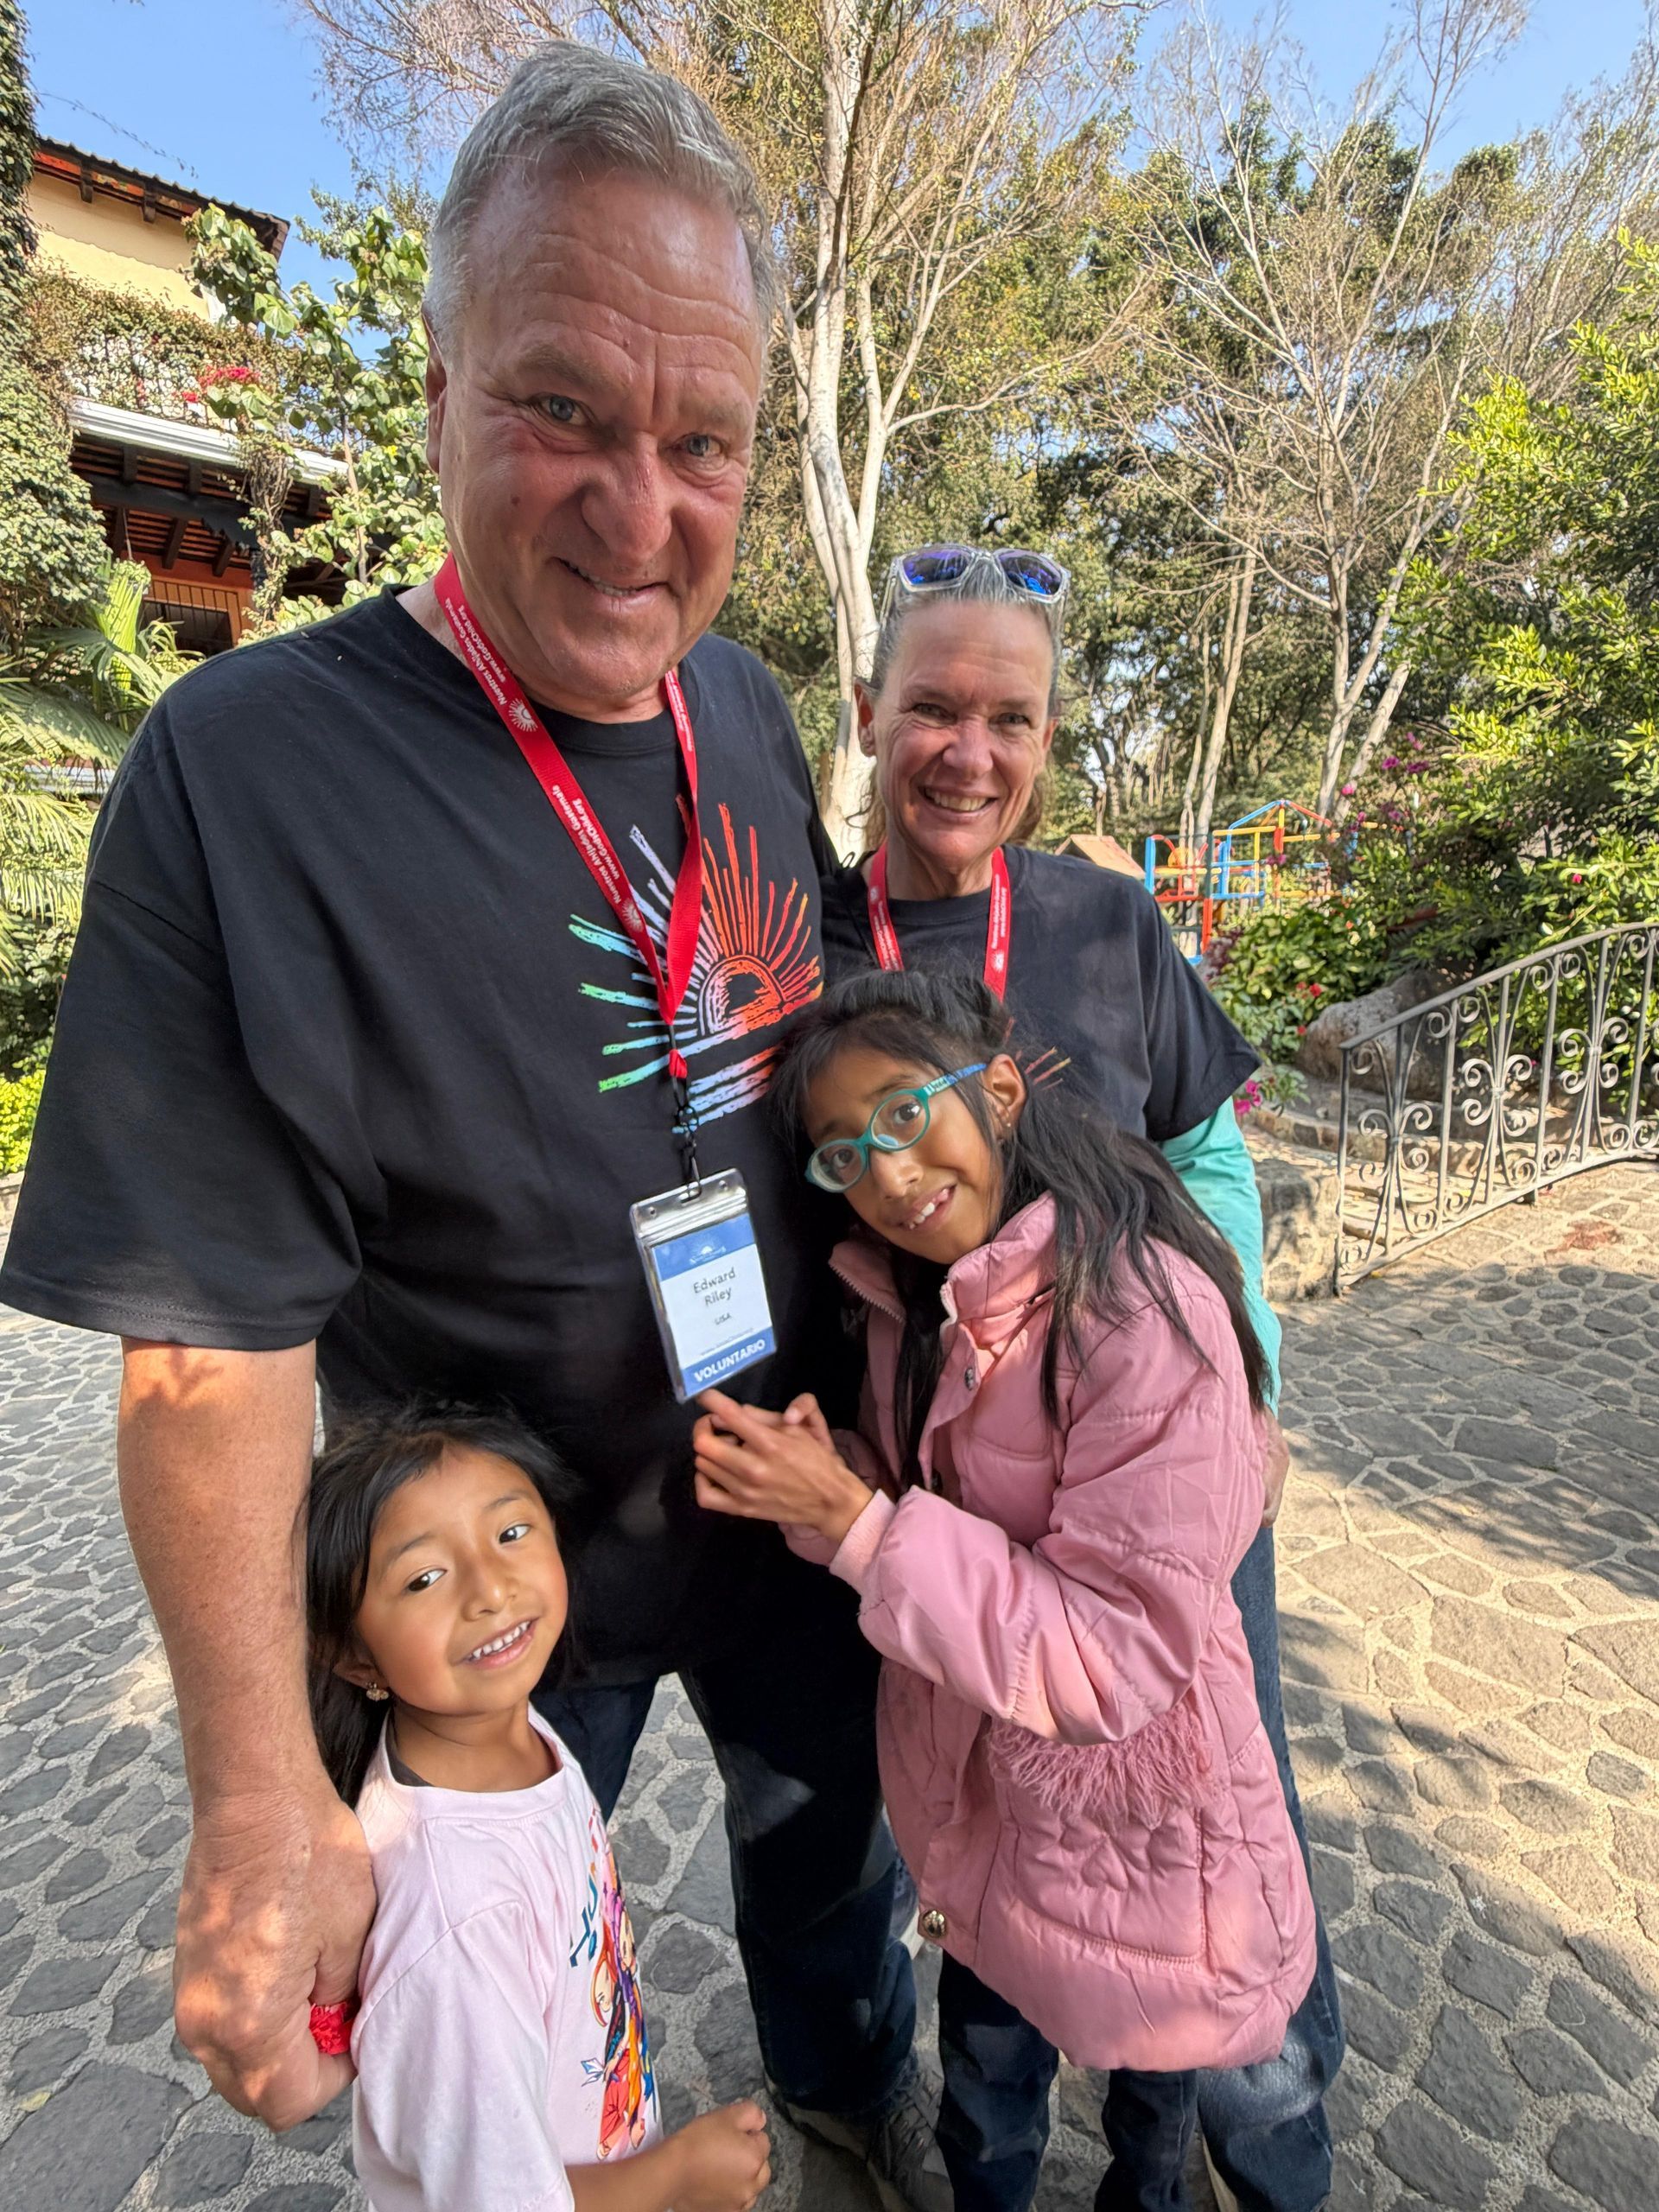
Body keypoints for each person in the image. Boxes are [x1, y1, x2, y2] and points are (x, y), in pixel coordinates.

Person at [0, 44, 938, 2205]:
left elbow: (809, 1065)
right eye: (562, 413)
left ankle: (842, 2101)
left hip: (792, 1486)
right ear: (434, 391)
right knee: (501, 2030)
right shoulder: (242, 778)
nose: (643, 510)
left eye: (701, 438)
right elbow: (203, 1342)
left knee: (828, 1874)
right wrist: (255, 1803)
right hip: (500, 1580)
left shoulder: (744, 696)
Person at [817, 546, 1344, 2211]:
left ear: (1048, 740)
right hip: (944, 1482)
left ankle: (1234, 2133)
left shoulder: (1111, 923)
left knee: (1197, 1811)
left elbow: (1207, 1146)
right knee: (998, 1813)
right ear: (868, 715)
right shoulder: (806, 936)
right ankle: (989, 2114)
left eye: (1010, 717)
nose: (969, 750)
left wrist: (1229, 1354)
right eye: (932, 709)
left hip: (1150, 1469)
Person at [690, 969, 1318, 2212]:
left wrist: (857, 1521)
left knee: (1152, 2117)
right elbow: (940, 1527)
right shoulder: (907, 1298)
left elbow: (1114, 1650)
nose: (885, 1172)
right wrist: (832, 1489)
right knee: (986, 2106)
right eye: (842, 1154)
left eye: (907, 1112)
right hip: (988, 1828)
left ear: (1003, 1086)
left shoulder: (1141, 1311)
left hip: (1140, 1839)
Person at [304, 1400, 772, 2212]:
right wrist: (672, 2178)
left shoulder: (517, 1736)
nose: (490, 1588)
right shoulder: (455, 1922)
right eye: (423, 1577)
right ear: (349, 1653)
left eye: (511, 1532)